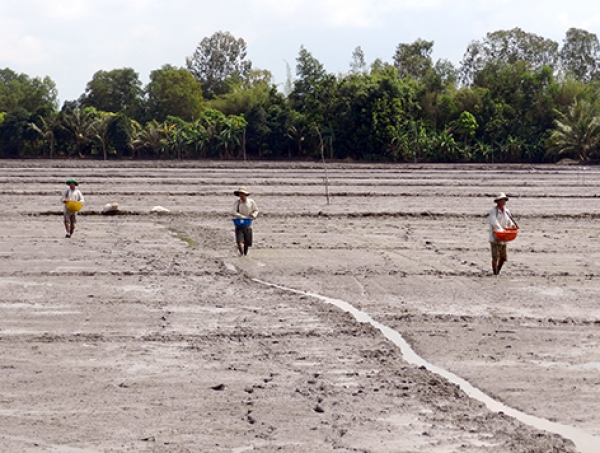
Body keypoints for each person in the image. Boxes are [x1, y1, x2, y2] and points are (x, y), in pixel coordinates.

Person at [488, 192, 516, 275]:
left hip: (504, 237)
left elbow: (509, 221)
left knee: (503, 257)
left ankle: (498, 270)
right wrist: (500, 230)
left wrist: (512, 226)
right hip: (495, 236)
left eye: (504, 200)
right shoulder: (493, 211)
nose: (503, 202)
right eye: (501, 200)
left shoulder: (507, 211)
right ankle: (494, 272)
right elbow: (493, 221)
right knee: (495, 256)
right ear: (498, 201)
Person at [233, 186, 258, 256]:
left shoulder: (251, 202)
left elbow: (256, 210)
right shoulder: (237, 203)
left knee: (247, 242)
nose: (241, 195)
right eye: (240, 194)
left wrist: (253, 216)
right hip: (239, 223)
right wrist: (241, 216)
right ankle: (241, 253)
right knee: (239, 240)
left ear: (245, 194)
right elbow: (234, 212)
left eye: (242, 194)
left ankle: (245, 254)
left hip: (248, 224)